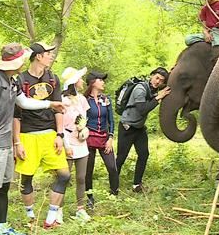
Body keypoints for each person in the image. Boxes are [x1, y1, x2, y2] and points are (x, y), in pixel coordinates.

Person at [0, 43, 64, 235]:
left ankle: (1, 229)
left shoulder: (12, 81)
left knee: (3, 188)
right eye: (21, 59)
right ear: (15, 61)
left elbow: (23, 102)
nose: (23, 63)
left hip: (5, 145)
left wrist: (50, 103)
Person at [13, 41, 71, 230]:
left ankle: (51, 217)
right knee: (27, 178)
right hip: (28, 134)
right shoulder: (20, 80)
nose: (51, 56)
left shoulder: (53, 78)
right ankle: (30, 216)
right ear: (38, 56)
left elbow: (58, 109)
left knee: (63, 175)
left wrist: (60, 134)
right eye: (48, 53)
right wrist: (17, 142)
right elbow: (16, 115)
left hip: (49, 134)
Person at [116, 68, 170, 193]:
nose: (158, 82)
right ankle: (114, 185)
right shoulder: (140, 89)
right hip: (127, 127)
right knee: (121, 157)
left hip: (139, 128)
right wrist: (158, 98)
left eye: (161, 81)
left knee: (143, 154)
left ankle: (137, 185)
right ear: (151, 76)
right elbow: (142, 109)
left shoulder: (153, 89)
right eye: (156, 78)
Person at [61, 66, 92, 223]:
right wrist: (65, 145)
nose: (82, 81)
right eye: (79, 79)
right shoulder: (63, 101)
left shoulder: (82, 99)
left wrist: (83, 130)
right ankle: (57, 210)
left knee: (81, 177)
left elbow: (84, 118)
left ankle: (81, 209)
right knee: (63, 177)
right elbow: (60, 125)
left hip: (81, 142)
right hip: (68, 141)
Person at [84, 71, 118, 210]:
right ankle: (89, 197)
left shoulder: (106, 99)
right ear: (93, 82)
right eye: (101, 80)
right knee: (88, 170)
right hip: (88, 138)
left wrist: (110, 137)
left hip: (104, 137)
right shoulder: (84, 100)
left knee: (112, 167)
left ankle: (114, 193)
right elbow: (79, 120)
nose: (103, 82)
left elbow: (111, 120)